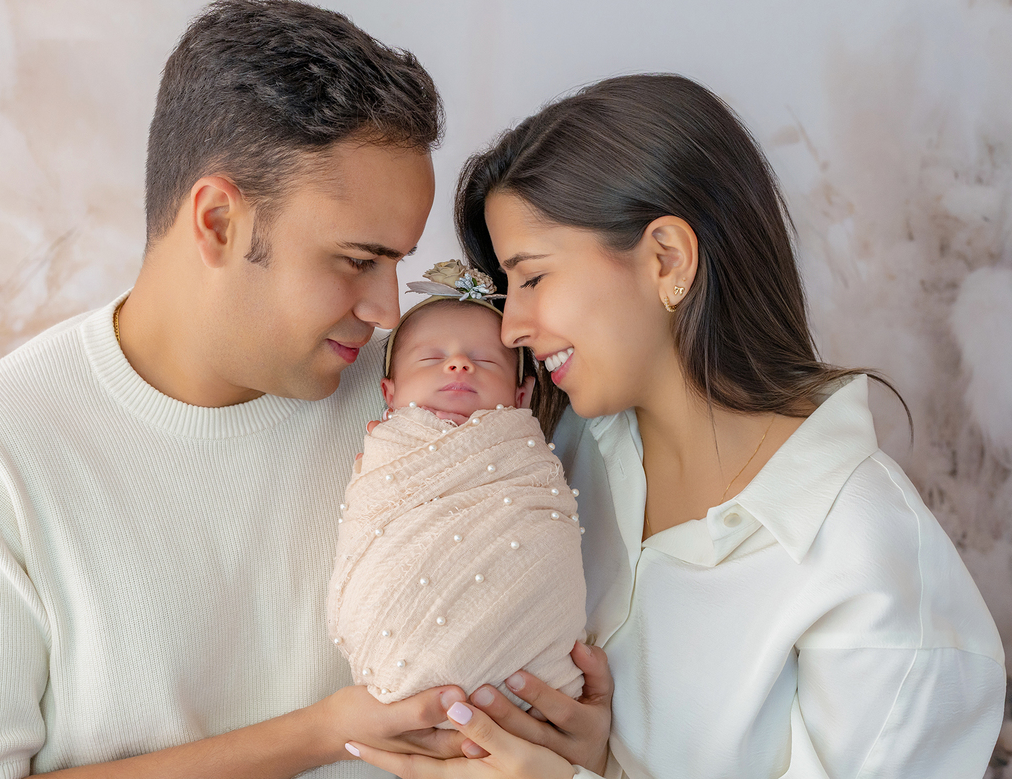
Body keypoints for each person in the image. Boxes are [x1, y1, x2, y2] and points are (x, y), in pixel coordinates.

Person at [0, 0, 510, 779]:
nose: (386, 309)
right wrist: (323, 732)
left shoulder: (425, 400)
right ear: (219, 222)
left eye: (397, 263)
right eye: (356, 261)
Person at [349, 73, 1006, 778]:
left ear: (667, 259)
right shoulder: (558, 453)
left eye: (533, 278)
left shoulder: (875, 570)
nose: (512, 327)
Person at [328, 262, 587, 713]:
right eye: (431, 359)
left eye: (484, 361)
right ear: (389, 395)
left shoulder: (526, 460)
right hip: (396, 659)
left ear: (521, 397)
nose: (458, 363)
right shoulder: (389, 450)